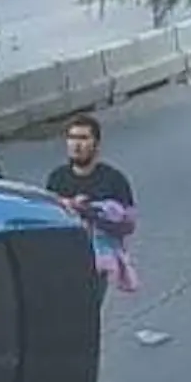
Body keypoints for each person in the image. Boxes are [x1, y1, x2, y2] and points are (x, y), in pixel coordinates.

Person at [44, 113, 138, 296]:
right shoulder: (57, 178)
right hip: (65, 259)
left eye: (83, 138)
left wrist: (92, 213)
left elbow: (128, 225)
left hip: (97, 261)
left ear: (96, 143)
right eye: (71, 138)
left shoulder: (113, 179)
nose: (76, 145)